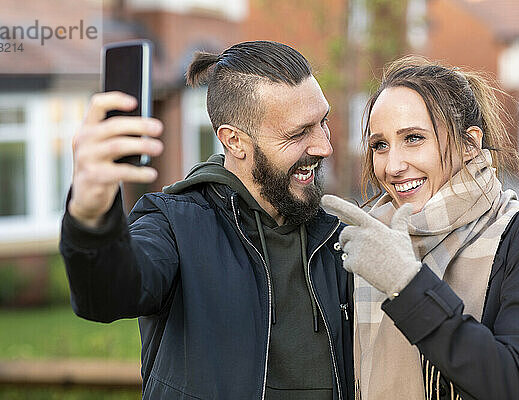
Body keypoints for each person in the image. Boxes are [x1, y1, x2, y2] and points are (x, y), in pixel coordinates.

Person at [60, 40, 355, 400]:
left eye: (322, 121)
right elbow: (106, 294)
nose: (323, 146)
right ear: (234, 141)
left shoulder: (339, 235)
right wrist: (90, 216)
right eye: (298, 134)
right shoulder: (174, 224)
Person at [322, 56, 519, 400]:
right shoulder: (362, 249)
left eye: (413, 138)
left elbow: (512, 382)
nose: (393, 165)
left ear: (470, 143)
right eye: (380, 145)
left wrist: (407, 284)